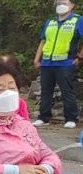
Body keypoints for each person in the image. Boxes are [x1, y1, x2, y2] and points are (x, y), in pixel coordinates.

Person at [33, 0, 83, 128]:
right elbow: (43, 41)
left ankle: (71, 118)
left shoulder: (78, 20)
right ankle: (44, 117)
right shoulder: (50, 22)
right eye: (59, 2)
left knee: (67, 91)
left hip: (65, 62)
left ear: (72, 5)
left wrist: (79, 57)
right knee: (46, 91)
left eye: (65, 3)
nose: (61, 5)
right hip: (47, 62)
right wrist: (37, 59)